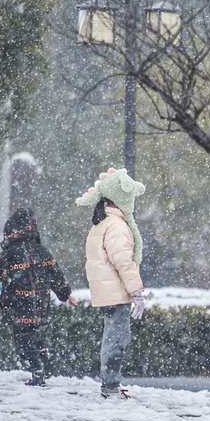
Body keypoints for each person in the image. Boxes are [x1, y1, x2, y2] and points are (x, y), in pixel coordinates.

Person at [0, 207, 74, 386]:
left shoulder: (11, 254)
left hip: (19, 305)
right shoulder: (42, 251)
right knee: (33, 335)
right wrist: (65, 294)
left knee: (23, 342)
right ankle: (44, 362)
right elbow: (55, 273)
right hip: (39, 304)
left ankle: (38, 371)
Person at [76, 168, 147, 399]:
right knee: (117, 340)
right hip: (116, 292)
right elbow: (124, 262)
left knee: (114, 338)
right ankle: (111, 386)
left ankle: (110, 384)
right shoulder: (117, 226)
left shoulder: (102, 222)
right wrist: (136, 291)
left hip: (107, 291)